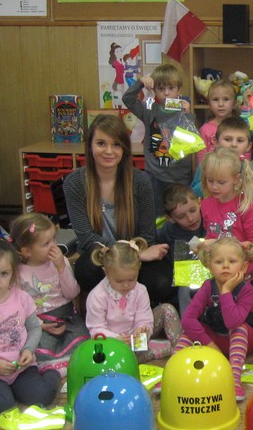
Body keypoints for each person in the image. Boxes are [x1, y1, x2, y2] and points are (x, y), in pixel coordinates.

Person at [63, 114, 173, 305]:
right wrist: (132, 253)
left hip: (137, 252)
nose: (109, 151)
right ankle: (104, 312)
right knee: (86, 272)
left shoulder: (140, 181)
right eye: (101, 143)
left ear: (124, 148)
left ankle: (139, 313)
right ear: (89, 146)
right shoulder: (74, 183)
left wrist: (135, 255)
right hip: (100, 253)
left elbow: (147, 235)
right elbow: (87, 238)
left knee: (162, 282)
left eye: (116, 144)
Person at [0, 238, 60, 420]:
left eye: (4, 273)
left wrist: (28, 350)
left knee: (41, 398)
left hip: (22, 368)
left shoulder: (21, 298)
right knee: (3, 405)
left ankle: (53, 372)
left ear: (13, 274)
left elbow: (34, 328)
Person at [177, 238, 253, 401]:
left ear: (244, 266)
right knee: (188, 333)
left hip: (242, 340)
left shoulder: (247, 291)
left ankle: (233, 380)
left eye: (232, 261)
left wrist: (226, 291)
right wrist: (211, 345)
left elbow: (232, 322)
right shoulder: (207, 286)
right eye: (219, 262)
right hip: (216, 340)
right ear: (209, 266)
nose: (225, 266)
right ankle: (172, 373)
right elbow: (187, 319)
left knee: (238, 329)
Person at [11, 213, 88, 376]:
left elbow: (72, 293)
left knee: (82, 342)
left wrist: (61, 268)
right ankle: (55, 370)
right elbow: (18, 308)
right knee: (39, 346)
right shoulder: (18, 273)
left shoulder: (61, 261)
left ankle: (72, 365)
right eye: (46, 243)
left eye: (54, 239)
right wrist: (40, 325)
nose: (54, 246)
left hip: (67, 316)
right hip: (38, 321)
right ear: (27, 251)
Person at [86, 239, 181, 361]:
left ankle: (180, 349)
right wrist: (116, 338)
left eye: (132, 279)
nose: (126, 285)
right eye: (119, 281)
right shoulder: (98, 296)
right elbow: (96, 329)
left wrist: (142, 329)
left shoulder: (140, 290)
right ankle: (150, 352)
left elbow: (144, 318)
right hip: (112, 344)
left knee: (167, 309)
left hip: (136, 341)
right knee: (116, 359)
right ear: (106, 272)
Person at [122, 63, 194, 215]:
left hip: (180, 177)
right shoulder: (149, 111)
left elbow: (191, 142)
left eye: (171, 88)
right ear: (154, 91)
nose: (166, 93)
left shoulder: (184, 111)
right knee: (157, 215)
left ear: (179, 90)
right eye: (161, 89)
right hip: (155, 175)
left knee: (180, 215)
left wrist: (188, 115)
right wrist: (141, 83)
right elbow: (127, 99)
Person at [200, 148, 253, 260]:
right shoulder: (206, 204)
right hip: (215, 264)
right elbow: (210, 233)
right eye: (210, 180)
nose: (214, 187)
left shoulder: (245, 206)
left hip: (240, 265)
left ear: (236, 179)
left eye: (221, 182)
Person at [156, 184, 205, 313]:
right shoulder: (168, 230)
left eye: (193, 210)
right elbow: (152, 239)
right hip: (184, 281)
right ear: (170, 219)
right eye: (181, 217)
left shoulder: (210, 219)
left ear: (199, 202)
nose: (190, 218)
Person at [192, 117, 253, 198]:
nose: (234, 144)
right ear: (216, 142)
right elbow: (193, 195)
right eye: (227, 139)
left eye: (240, 140)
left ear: (248, 146)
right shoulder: (206, 165)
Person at [198, 79, 237, 165]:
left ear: (234, 103)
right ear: (209, 104)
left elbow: (246, 154)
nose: (220, 104)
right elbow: (201, 158)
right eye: (215, 99)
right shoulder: (205, 129)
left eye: (226, 99)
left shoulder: (239, 127)